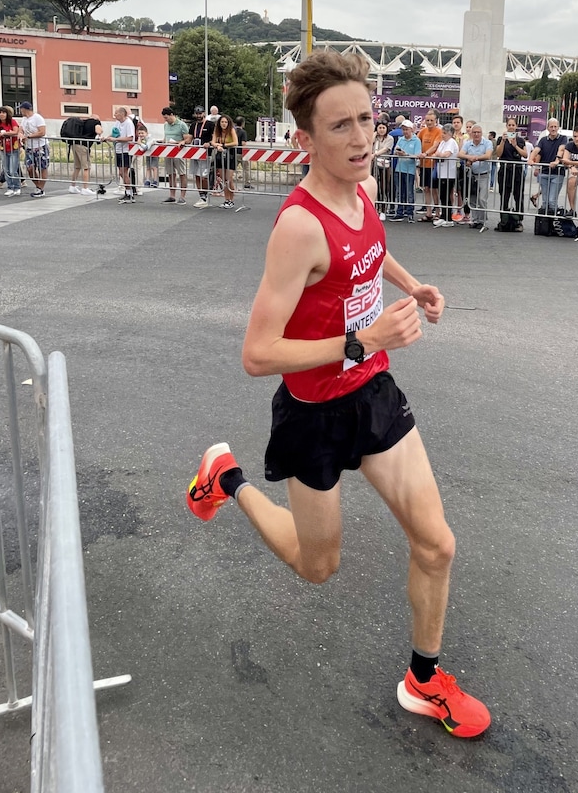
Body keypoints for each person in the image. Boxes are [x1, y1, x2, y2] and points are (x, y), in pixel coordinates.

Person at [185, 50, 490, 740]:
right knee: (318, 567)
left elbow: (369, 252)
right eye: (340, 128)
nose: (360, 139)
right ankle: (225, 476)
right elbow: (257, 354)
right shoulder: (298, 227)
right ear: (305, 140)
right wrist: (362, 338)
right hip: (313, 410)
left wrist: (410, 286)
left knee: (436, 545)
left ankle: (423, 679)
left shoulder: (367, 187)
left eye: (367, 121)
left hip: (372, 392)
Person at [458, 124, 493, 231]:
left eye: (478, 132)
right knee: (472, 199)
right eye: (474, 132)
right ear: (471, 134)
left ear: (481, 133)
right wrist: (469, 157)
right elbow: (460, 154)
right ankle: (475, 220)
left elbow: (488, 155)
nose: (476, 134)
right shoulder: (468, 144)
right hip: (471, 175)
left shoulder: (488, 143)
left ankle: (483, 221)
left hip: (484, 174)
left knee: (482, 199)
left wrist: (475, 158)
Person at [494, 117, 527, 231]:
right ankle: (504, 219)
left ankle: (519, 221)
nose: (511, 127)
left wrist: (515, 145)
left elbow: (525, 155)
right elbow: (498, 153)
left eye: (513, 125)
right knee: (504, 196)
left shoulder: (521, 140)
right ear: (506, 126)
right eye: (509, 125)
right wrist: (503, 141)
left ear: (516, 126)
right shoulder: (500, 139)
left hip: (517, 170)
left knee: (518, 196)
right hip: (504, 171)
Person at [528, 118, 567, 213]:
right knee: (545, 201)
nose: (553, 129)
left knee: (552, 201)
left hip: (557, 173)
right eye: (551, 127)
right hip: (544, 172)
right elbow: (537, 150)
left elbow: (561, 149)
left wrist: (557, 161)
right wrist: (530, 159)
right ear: (547, 128)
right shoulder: (543, 140)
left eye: (555, 127)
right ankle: (545, 225)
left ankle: (553, 223)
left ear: (558, 128)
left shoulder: (563, 138)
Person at [388, 120, 420, 222]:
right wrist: (398, 152)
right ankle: (400, 212)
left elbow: (417, 155)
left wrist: (406, 154)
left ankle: (410, 212)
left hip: (409, 169)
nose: (405, 132)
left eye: (406, 129)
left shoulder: (416, 141)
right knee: (400, 191)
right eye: (403, 130)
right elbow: (395, 151)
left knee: (409, 192)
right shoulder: (401, 139)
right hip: (399, 168)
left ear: (411, 130)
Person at [0, 106, 21, 197]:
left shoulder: (12, 121)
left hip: (13, 148)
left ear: (7, 114)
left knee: (13, 170)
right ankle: (10, 187)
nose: (1, 114)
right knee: (6, 169)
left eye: (3, 112)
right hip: (3, 149)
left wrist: (5, 133)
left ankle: (17, 187)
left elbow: (15, 131)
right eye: (0, 112)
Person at [17, 102, 49, 198]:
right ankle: (38, 186)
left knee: (42, 167)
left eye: (21, 109)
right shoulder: (24, 119)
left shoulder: (37, 118)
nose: (20, 111)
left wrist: (29, 136)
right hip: (29, 147)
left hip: (40, 146)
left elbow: (42, 132)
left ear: (25, 109)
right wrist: (20, 134)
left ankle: (41, 188)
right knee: (30, 168)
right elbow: (21, 129)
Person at [160, 106, 190, 205]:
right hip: (168, 151)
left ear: (172, 115)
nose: (166, 120)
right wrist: (163, 141)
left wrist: (179, 142)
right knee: (170, 173)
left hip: (178, 151)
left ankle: (182, 196)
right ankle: (172, 195)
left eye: (167, 117)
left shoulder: (182, 125)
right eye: (164, 118)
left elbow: (187, 139)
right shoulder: (165, 125)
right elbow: (166, 136)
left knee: (181, 173)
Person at [106, 106, 136, 204]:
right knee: (121, 173)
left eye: (116, 113)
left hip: (126, 150)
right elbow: (115, 133)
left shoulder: (128, 123)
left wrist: (115, 139)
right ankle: (128, 191)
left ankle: (129, 192)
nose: (115, 115)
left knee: (124, 172)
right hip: (118, 150)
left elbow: (130, 138)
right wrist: (107, 137)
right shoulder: (117, 122)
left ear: (122, 114)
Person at [416, 110, 442, 221]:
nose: (429, 122)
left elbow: (436, 145)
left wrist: (426, 154)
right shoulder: (423, 131)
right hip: (423, 164)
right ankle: (428, 213)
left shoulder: (439, 131)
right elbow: (417, 141)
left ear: (436, 121)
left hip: (433, 164)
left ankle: (437, 212)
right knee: (426, 189)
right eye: (427, 120)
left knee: (434, 189)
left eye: (431, 120)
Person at [431, 122, 459, 227]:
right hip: (441, 172)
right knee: (442, 195)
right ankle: (444, 216)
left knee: (446, 195)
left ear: (450, 134)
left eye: (445, 133)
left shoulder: (451, 142)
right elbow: (436, 154)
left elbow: (446, 154)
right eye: (442, 133)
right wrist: (438, 155)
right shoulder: (443, 142)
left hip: (449, 173)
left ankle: (449, 218)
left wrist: (439, 155)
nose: (443, 135)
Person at [69, 114, 102, 196]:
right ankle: (85, 188)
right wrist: (100, 132)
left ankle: (72, 186)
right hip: (83, 146)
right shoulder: (96, 122)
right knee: (86, 167)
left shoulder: (82, 122)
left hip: (74, 144)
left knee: (77, 166)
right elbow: (98, 131)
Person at [189, 105, 215, 208]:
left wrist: (209, 143)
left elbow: (214, 138)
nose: (198, 115)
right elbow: (190, 138)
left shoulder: (210, 124)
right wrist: (183, 142)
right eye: (197, 113)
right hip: (195, 152)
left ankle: (205, 195)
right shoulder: (193, 125)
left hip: (206, 153)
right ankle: (201, 195)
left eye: (200, 113)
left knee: (204, 176)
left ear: (204, 113)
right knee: (196, 174)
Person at [211, 113, 239, 209]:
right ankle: (226, 199)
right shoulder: (217, 131)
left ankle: (231, 200)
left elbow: (236, 142)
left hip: (230, 154)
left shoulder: (231, 130)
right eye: (222, 122)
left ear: (228, 123)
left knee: (229, 179)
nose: (224, 124)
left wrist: (223, 145)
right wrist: (217, 145)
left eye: (225, 122)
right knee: (224, 180)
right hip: (220, 155)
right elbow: (213, 141)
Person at [372, 121, 394, 220]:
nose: (381, 130)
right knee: (374, 186)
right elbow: (369, 144)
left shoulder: (390, 138)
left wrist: (375, 154)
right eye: (379, 128)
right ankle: (375, 209)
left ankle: (383, 210)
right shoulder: (375, 138)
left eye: (383, 128)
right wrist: (374, 135)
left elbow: (385, 149)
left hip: (385, 165)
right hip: (374, 165)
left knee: (384, 187)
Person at [234, 116, 251, 190]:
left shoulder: (233, 131)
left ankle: (228, 181)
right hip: (242, 153)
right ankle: (247, 183)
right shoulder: (243, 132)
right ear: (243, 123)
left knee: (232, 168)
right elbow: (243, 143)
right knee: (246, 169)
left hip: (234, 152)